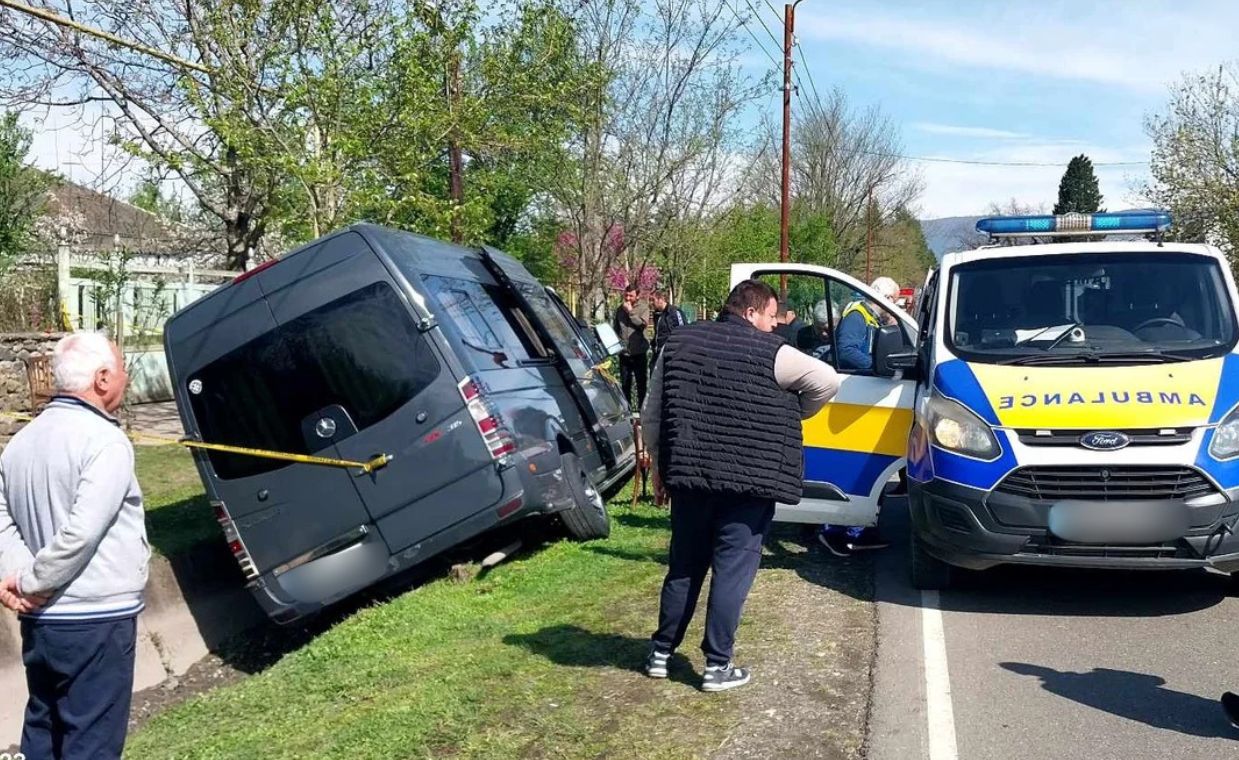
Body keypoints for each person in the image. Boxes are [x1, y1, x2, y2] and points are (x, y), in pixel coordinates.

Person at [641, 280, 839, 692]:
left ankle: (661, 653)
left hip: (691, 479)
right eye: (771, 317)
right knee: (732, 571)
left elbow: (654, 411)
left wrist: (659, 468)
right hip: (748, 486)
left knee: (684, 565)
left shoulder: (678, 342)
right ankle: (717, 665)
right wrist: (792, 407)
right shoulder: (774, 353)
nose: (774, 326)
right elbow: (827, 381)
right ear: (751, 313)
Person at [0, 331, 149, 760]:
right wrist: (30, 579)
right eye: (122, 369)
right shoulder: (104, 441)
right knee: (92, 742)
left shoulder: (21, 442)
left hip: (41, 622)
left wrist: (19, 578)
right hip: (95, 618)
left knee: (44, 732)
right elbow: (83, 531)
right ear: (103, 378)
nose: (126, 378)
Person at [819, 276, 901, 557]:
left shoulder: (868, 316)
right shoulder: (858, 315)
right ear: (882, 298)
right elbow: (848, 351)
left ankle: (858, 528)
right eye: (892, 301)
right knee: (851, 467)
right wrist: (880, 366)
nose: (894, 306)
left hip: (865, 394)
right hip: (855, 393)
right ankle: (837, 531)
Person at [836, 276, 900, 373]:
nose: (894, 307)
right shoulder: (856, 316)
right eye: (894, 302)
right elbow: (846, 351)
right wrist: (875, 366)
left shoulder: (873, 318)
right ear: (887, 298)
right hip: (858, 381)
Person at [612, 285, 651, 410]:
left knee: (641, 384)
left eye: (631, 296)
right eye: (626, 295)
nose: (628, 298)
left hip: (638, 351)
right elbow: (616, 328)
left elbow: (643, 325)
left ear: (637, 296)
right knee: (625, 384)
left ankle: (642, 411)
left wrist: (631, 312)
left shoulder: (643, 307)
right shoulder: (620, 309)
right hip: (624, 353)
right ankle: (627, 411)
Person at [650, 290, 687, 360]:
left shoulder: (674, 312)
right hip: (658, 353)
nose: (651, 303)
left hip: (671, 353)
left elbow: (683, 332)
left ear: (661, 299)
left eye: (653, 300)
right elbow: (658, 333)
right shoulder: (657, 314)